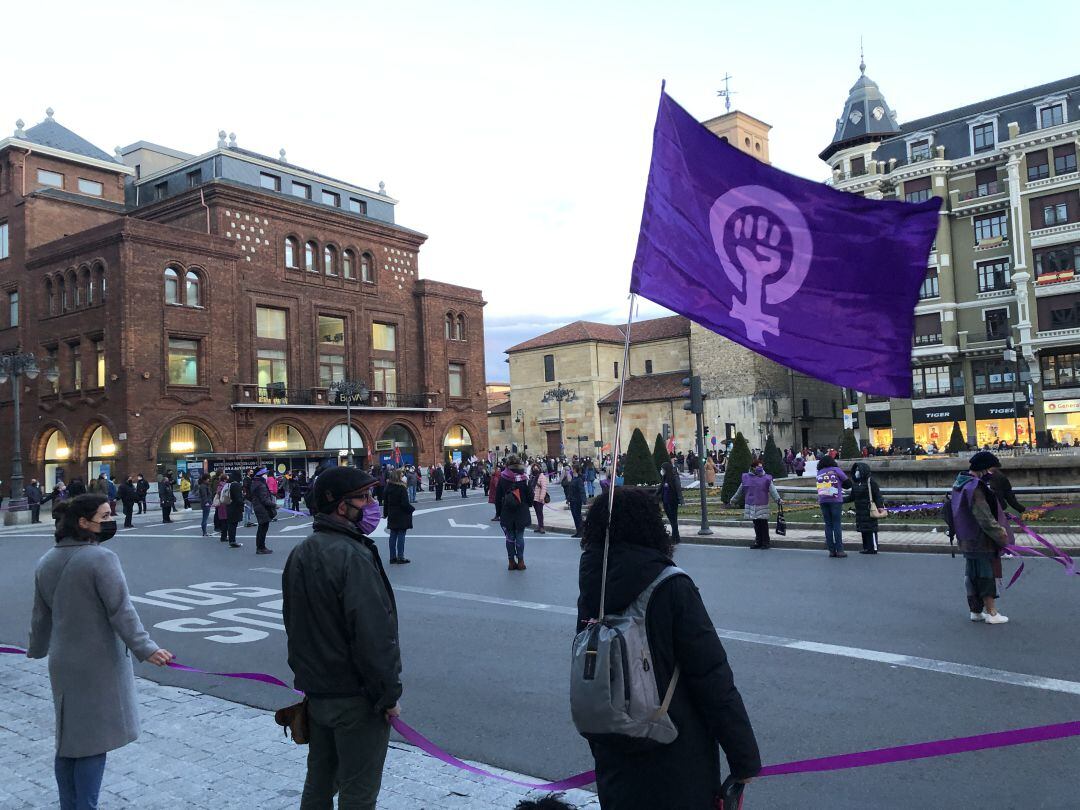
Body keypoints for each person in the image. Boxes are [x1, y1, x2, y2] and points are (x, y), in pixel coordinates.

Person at [576, 489, 761, 808]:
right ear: (651, 527)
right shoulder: (671, 585)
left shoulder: (595, 586)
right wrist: (745, 762)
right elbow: (713, 678)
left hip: (615, 756)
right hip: (677, 757)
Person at [27, 494, 174, 810]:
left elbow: (40, 616)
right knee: (93, 743)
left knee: (68, 742)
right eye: (105, 515)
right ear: (84, 522)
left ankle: (70, 805)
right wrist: (146, 648)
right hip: (98, 664)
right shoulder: (100, 559)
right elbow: (121, 610)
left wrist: (35, 650)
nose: (111, 521)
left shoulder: (46, 560)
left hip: (63, 662)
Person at [282, 466, 401, 809]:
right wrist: (388, 695)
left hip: (318, 695)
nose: (371, 504)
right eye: (363, 498)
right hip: (357, 697)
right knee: (358, 792)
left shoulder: (301, 552)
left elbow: (293, 624)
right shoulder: (353, 555)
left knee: (318, 784)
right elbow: (373, 636)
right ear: (340, 506)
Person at [950, 452, 1012, 624]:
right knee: (986, 575)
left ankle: (976, 611)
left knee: (971, 575)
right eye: (991, 470)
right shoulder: (975, 488)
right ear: (984, 469)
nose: (993, 473)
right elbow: (984, 517)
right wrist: (1001, 534)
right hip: (981, 539)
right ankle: (992, 613)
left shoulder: (960, 483)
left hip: (966, 538)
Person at [728, 458, 782, 549]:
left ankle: (766, 542)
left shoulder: (766, 478)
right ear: (753, 467)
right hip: (751, 504)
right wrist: (733, 499)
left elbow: (772, 490)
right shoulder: (746, 478)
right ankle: (758, 541)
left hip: (762, 504)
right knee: (756, 524)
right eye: (758, 466)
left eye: (761, 466)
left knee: (763, 524)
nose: (760, 468)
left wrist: (778, 499)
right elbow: (740, 490)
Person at [496, 456, 534, 570]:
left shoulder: (503, 478)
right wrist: (528, 504)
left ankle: (511, 562)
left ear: (507, 464)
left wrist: (498, 512)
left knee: (510, 537)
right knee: (520, 536)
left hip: (507, 512)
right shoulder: (524, 478)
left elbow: (498, 497)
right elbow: (530, 495)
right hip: (521, 512)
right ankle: (521, 561)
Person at [845, 462, 885, 554]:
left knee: (871, 529)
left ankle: (873, 548)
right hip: (860, 510)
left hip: (869, 509)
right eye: (856, 470)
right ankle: (866, 547)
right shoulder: (856, 483)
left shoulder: (870, 482)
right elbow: (852, 497)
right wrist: (840, 500)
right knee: (864, 529)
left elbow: (877, 495)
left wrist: (880, 507)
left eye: (858, 470)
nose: (857, 472)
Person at [816, 456, 851, 557]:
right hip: (835, 500)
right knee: (836, 524)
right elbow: (848, 483)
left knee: (828, 525)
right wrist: (840, 484)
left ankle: (831, 550)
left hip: (823, 500)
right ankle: (840, 550)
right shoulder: (836, 470)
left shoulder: (819, 472)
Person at [384, 468, 414, 564]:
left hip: (392, 513)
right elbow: (404, 503)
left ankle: (392, 557)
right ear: (398, 477)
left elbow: (386, 503)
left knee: (393, 535)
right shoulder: (401, 488)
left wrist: (385, 514)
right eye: (402, 475)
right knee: (401, 534)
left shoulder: (388, 487)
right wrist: (412, 509)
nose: (403, 477)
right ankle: (400, 556)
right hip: (401, 514)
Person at [248, 468, 277, 555]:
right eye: (265, 473)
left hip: (258, 507)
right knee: (263, 528)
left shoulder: (255, 483)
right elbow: (264, 499)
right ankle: (261, 547)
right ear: (261, 474)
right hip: (262, 508)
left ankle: (261, 547)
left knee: (261, 528)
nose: (266, 475)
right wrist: (274, 505)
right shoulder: (261, 485)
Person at [658, 458, 683, 543]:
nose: (661, 471)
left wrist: (681, 500)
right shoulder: (664, 478)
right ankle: (676, 537)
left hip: (672, 501)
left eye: (662, 469)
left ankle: (675, 538)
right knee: (672, 520)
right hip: (666, 502)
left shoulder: (674, 477)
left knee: (673, 520)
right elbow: (660, 488)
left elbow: (678, 489)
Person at [220, 471, 245, 548]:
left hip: (229, 506)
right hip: (235, 507)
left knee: (231, 524)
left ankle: (231, 540)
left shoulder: (228, 484)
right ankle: (232, 541)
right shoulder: (236, 485)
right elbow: (238, 498)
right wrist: (243, 501)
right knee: (233, 525)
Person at [530, 462, 548, 534]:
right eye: (533, 468)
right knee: (537, 512)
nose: (535, 469)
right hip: (534, 498)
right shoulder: (532, 477)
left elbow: (544, 488)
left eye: (536, 468)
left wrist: (542, 498)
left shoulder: (542, 477)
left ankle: (541, 527)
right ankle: (539, 525)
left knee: (540, 513)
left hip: (539, 498)